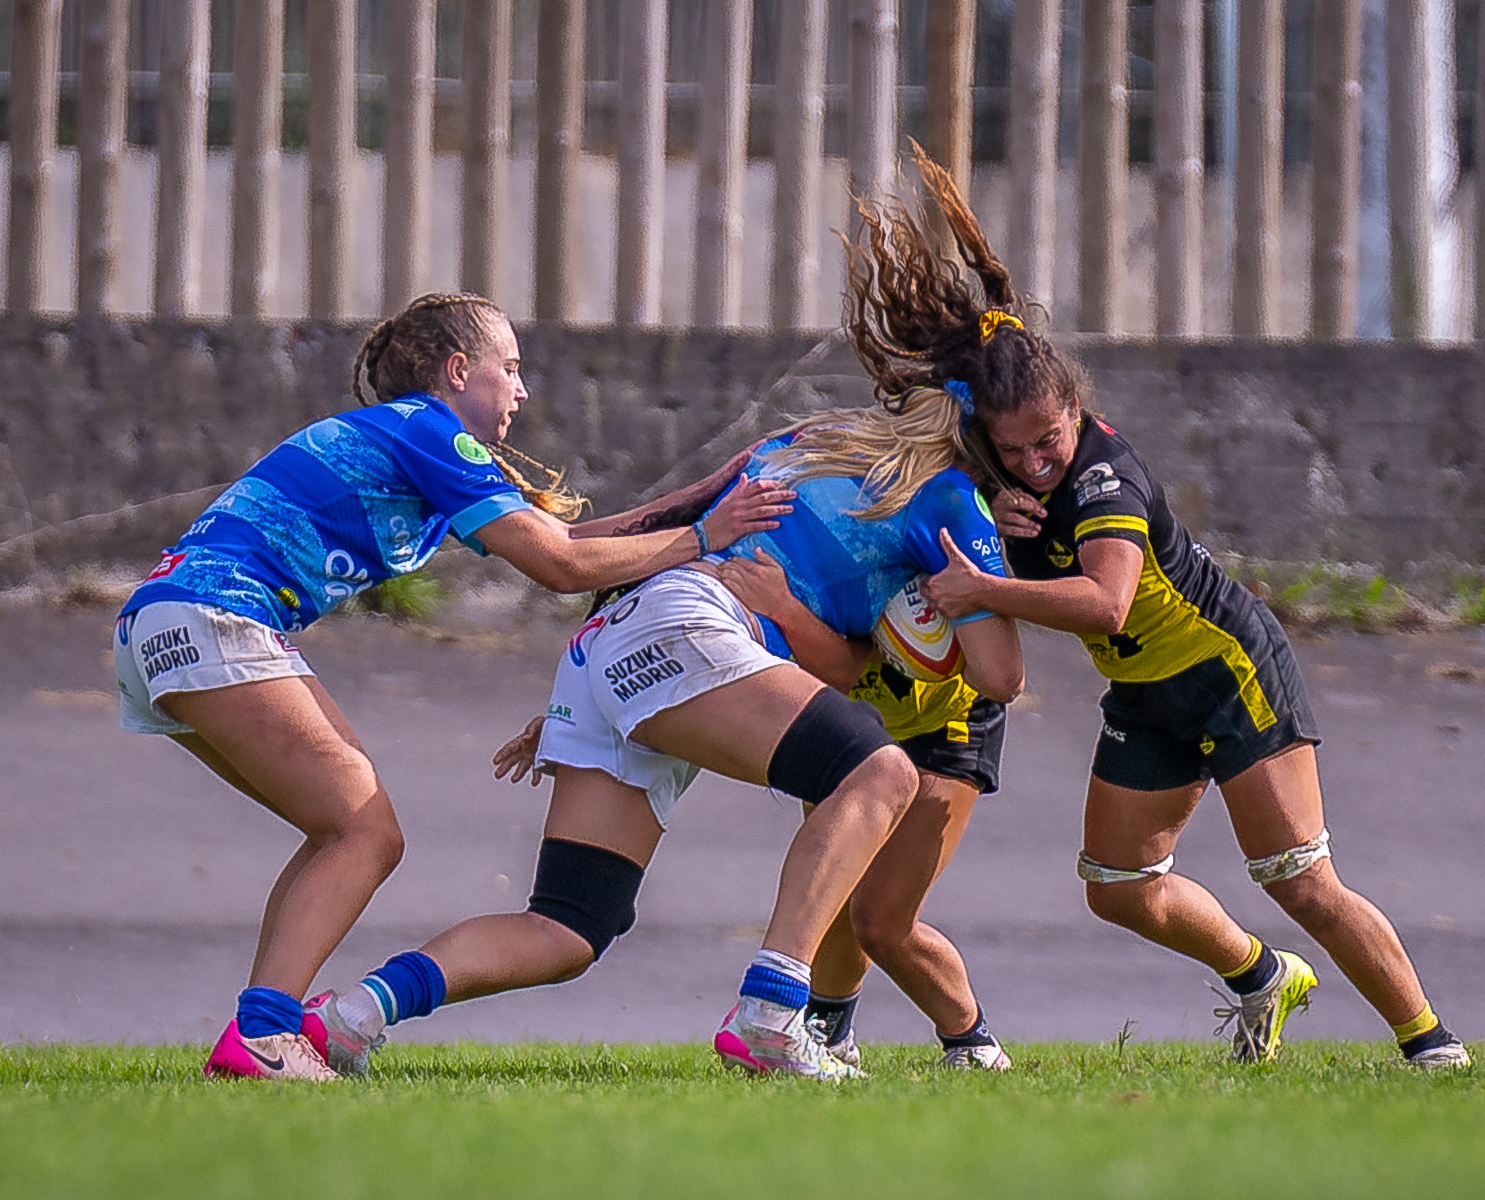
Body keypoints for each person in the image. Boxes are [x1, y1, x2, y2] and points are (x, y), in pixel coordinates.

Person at [111, 292, 792, 1081]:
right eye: (510, 368)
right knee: (363, 834)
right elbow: (562, 568)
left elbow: (563, 540)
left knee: (338, 828)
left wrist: (703, 501)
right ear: (458, 370)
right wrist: (707, 536)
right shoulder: (432, 430)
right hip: (215, 618)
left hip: (156, 628)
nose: (522, 390)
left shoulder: (413, 444)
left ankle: (268, 1028)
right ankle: (264, 1036)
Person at [885, 148, 1467, 1068]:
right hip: (1149, 697)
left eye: (1052, 439)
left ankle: (1434, 1050)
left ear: (1077, 407)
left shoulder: (1106, 476)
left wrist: (987, 586)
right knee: (1117, 887)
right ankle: (1260, 979)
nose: (1041, 459)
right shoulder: (995, 480)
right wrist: (995, 524)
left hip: (1228, 672)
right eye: (1019, 448)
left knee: (1301, 881)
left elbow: (1109, 603)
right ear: (986, 437)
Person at [311, 381, 1025, 1082]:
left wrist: (603, 689)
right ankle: (773, 1016)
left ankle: (349, 1018)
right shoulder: (947, 499)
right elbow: (1001, 677)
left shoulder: (807, 445)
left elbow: (672, 529)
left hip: (616, 639)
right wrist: (977, 591)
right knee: (880, 773)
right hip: (690, 630)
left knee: (566, 928)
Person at [717, 553, 1012, 1071]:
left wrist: (783, 606)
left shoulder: (932, 513)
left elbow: (849, 665)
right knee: (829, 891)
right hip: (856, 714)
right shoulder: (803, 529)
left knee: (881, 919)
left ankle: (973, 1044)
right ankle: (826, 1034)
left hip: (946, 720)